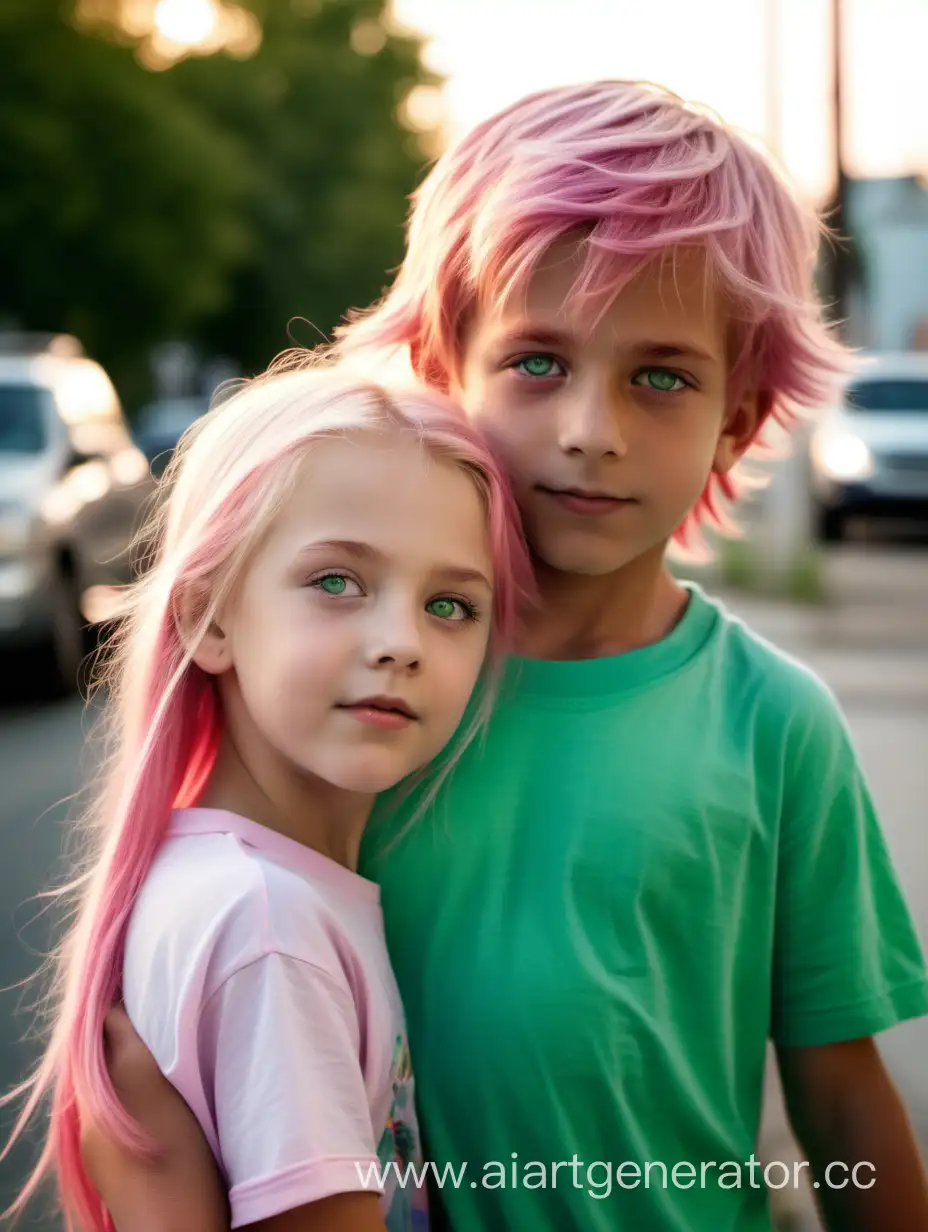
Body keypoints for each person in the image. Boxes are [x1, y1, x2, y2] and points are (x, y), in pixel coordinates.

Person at [82, 80, 928, 1230]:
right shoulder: (361, 699)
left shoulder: (776, 723)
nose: (591, 427)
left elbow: (838, 1090)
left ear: (736, 417)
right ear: (443, 361)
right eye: (537, 360)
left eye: (662, 376)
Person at [1, 359, 534, 1232]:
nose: (400, 641)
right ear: (209, 616)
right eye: (336, 582)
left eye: (451, 605)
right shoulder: (269, 930)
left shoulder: (239, 883)